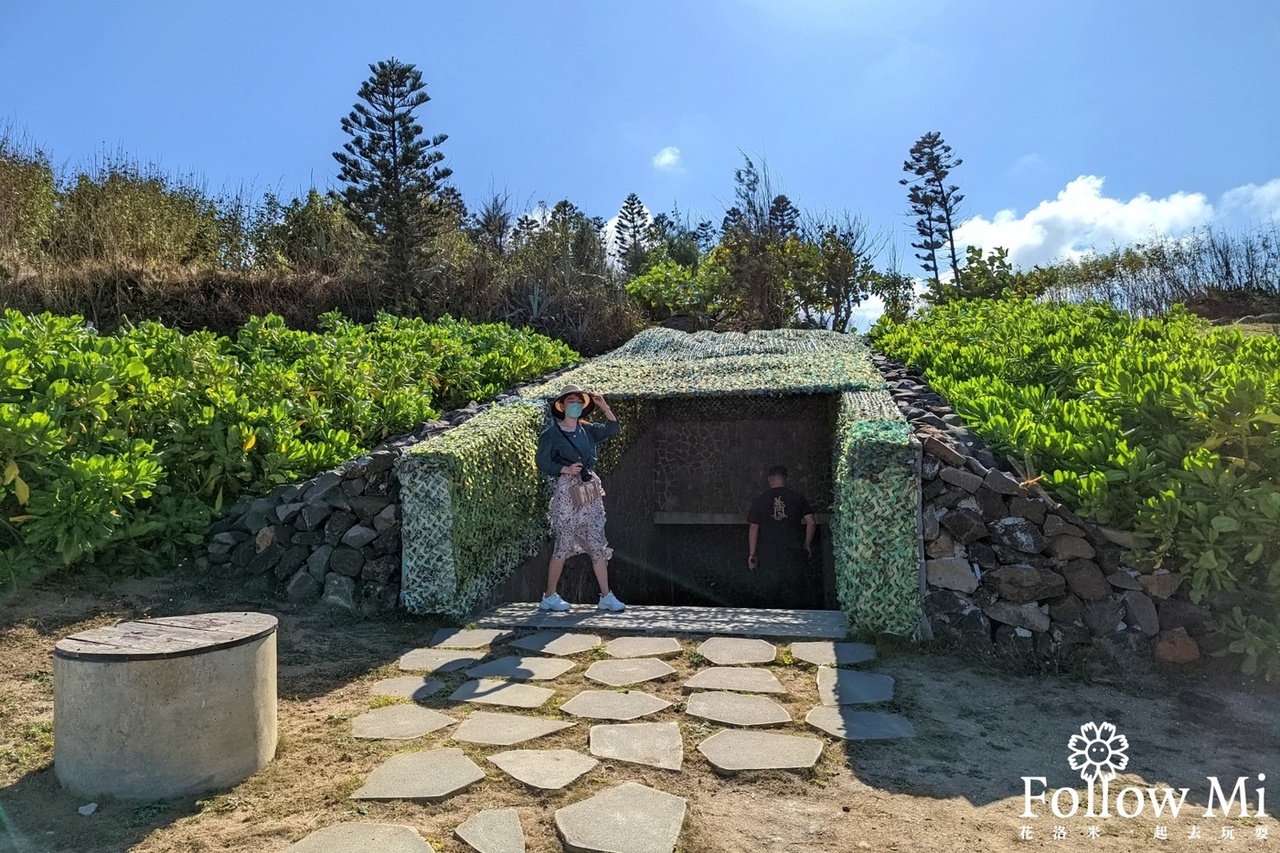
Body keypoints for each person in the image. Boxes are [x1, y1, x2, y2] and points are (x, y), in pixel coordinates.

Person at [533, 384, 626, 613]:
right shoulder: (552, 434)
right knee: (564, 541)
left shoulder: (587, 430)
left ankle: (606, 596)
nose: (574, 405)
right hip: (567, 491)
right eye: (570, 401)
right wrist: (564, 469)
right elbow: (542, 461)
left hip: (588, 489)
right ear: (562, 405)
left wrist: (604, 407)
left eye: (578, 401)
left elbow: (613, 429)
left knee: (596, 539)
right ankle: (549, 595)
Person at [746, 465, 818, 608]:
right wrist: (807, 544)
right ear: (786, 479)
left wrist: (752, 554)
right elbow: (811, 522)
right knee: (794, 592)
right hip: (793, 552)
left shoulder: (760, 500)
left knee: (770, 594)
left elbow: (754, 527)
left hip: (768, 553)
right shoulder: (797, 497)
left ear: (770, 480)